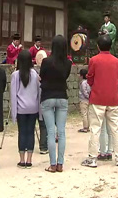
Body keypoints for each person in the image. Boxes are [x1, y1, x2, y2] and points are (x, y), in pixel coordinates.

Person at [81, 34, 118, 168]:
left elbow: (89, 78)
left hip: (98, 97)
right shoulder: (117, 61)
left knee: (95, 128)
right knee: (115, 128)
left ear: (98, 46)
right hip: (113, 98)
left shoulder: (94, 60)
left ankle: (93, 158)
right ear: (111, 46)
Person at [40, 35, 71, 173]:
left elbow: (42, 76)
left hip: (47, 96)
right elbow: (65, 77)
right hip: (62, 96)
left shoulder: (46, 62)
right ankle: (60, 164)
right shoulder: (68, 63)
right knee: (62, 132)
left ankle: (52, 164)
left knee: (51, 132)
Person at [10, 50, 41, 168]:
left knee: (22, 133)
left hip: (21, 109)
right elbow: (39, 93)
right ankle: (29, 159)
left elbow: (13, 95)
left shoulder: (15, 75)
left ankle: (22, 160)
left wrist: (14, 114)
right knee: (31, 132)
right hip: (33, 108)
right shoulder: (35, 74)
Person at [35, 50, 49, 155]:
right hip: (41, 101)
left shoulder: (33, 72)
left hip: (36, 101)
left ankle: (27, 146)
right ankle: (43, 146)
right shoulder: (35, 72)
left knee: (42, 124)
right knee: (43, 125)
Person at [78, 69, 91, 133]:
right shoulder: (89, 82)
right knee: (88, 113)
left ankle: (85, 127)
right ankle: (88, 126)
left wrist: (88, 97)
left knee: (84, 114)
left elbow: (84, 91)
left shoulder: (83, 83)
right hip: (89, 100)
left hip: (84, 100)